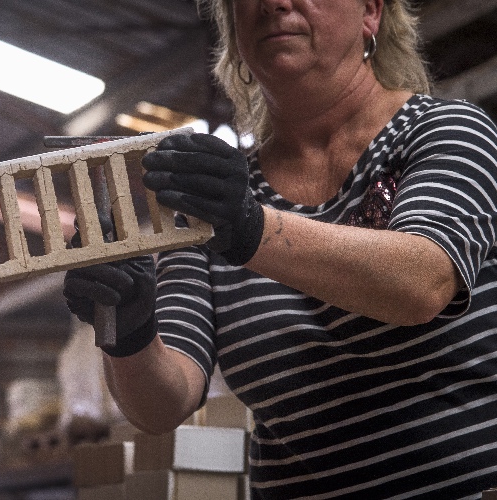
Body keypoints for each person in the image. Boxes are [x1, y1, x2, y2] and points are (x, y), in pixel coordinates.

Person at [63, 0, 497, 498]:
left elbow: (422, 282)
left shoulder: (444, 131)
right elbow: (160, 407)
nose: (274, 3)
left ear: (371, 13)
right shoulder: (209, 198)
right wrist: (128, 327)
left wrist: (248, 226)